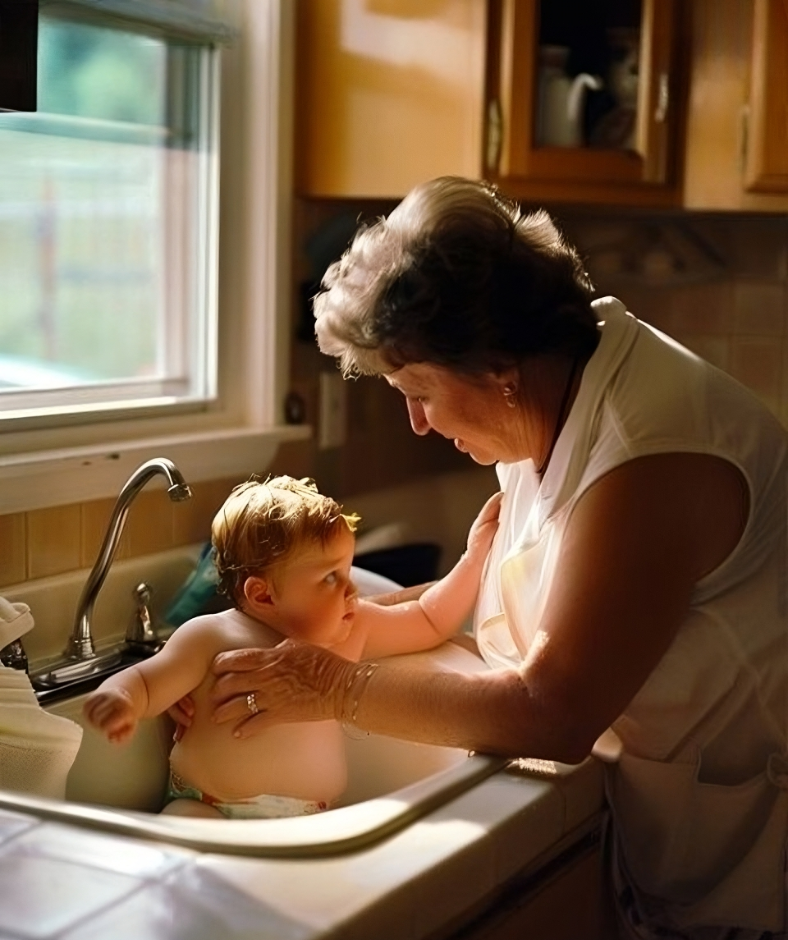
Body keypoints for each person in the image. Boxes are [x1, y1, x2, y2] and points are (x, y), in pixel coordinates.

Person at [196, 177, 788, 939]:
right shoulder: (543, 394)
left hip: (754, 874)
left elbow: (555, 711)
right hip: (671, 831)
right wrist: (300, 639)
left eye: (417, 389)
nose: (414, 422)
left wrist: (336, 688)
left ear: (496, 367)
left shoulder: (653, 455)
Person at [83, 474, 500, 819]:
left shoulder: (351, 630)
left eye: (347, 569)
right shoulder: (210, 637)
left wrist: (475, 556)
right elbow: (145, 681)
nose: (352, 589)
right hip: (209, 809)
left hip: (309, 819)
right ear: (263, 596)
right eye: (331, 578)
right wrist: (120, 700)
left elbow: (429, 618)